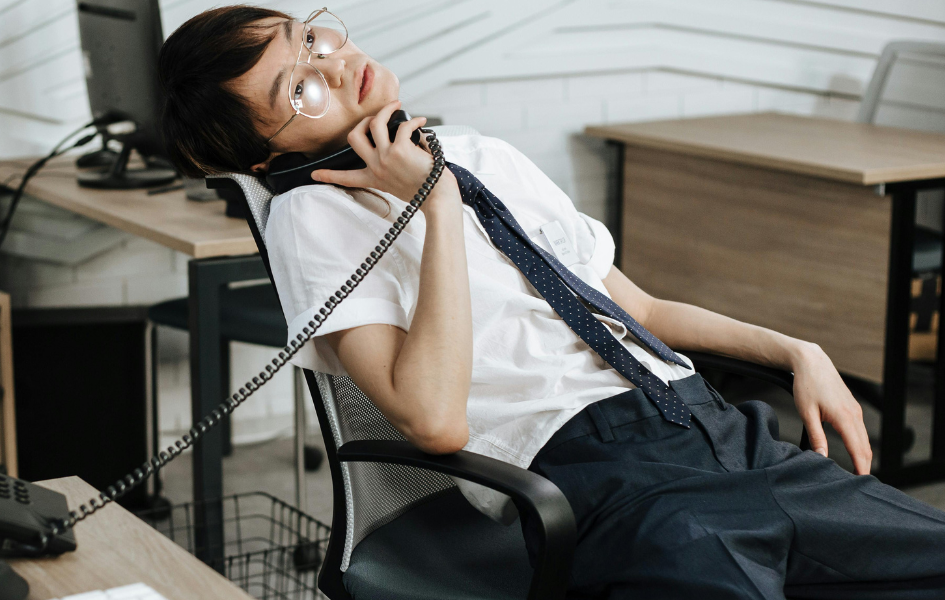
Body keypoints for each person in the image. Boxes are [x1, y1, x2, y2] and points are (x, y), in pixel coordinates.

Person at [157, 5, 945, 598]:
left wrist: (795, 350)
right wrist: (434, 205)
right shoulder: (313, 218)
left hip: (721, 431)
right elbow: (434, 420)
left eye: (313, 40)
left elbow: (636, 308)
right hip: (606, 480)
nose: (333, 66)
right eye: (299, 90)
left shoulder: (475, 150)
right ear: (270, 158)